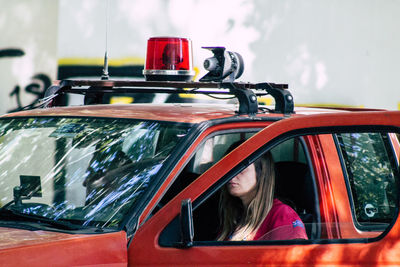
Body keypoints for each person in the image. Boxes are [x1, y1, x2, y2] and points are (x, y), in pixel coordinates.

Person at [217, 151, 308, 241]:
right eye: (229, 168)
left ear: (261, 173)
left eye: (241, 168)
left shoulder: (283, 215)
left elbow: (294, 254)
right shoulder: (235, 216)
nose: (231, 176)